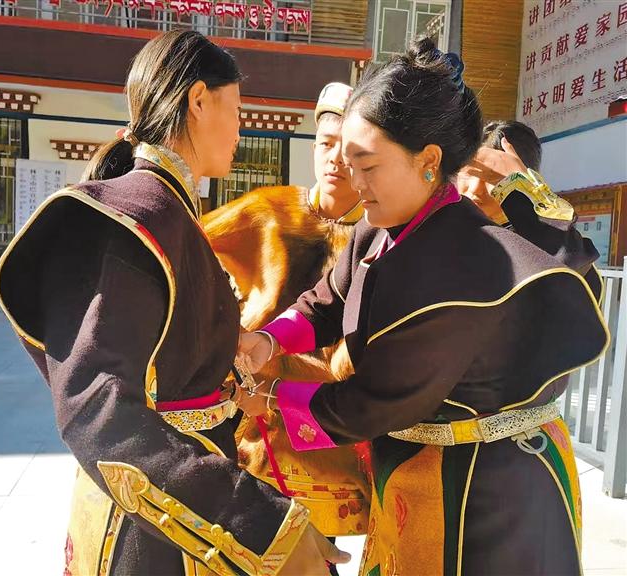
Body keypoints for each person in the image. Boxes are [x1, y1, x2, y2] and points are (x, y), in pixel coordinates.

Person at [238, 38, 608, 576]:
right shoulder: (377, 228)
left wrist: (271, 398)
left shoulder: (465, 261)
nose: (354, 182)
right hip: (416, 470)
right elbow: (329, 299)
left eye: (367, 165)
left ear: (429, 162)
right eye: (347, 163)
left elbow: (374, 402)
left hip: (488, 492)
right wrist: (269, 338)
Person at [0, 30, 348, 576]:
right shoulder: (130, 223)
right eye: (237, 110)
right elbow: (98, 412)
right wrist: (259, 521)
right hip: (151, 533)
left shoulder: (172, 213)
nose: (241, 129)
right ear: (199, 100)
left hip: (186, 513)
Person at [202, 82, 370, 539]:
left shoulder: (377, 236)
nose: (335, 160)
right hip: (249, 424)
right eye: (326, 144)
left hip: (329, 431)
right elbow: (187, 252)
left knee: (317, 553)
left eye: (350, 150)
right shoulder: (268, 212)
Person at [458, 119, 603, 300]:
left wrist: (527, 193)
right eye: (468, 174)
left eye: (492, 177)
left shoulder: (553, 246)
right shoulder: (448, 228)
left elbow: (571, 278)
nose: (474, 190)